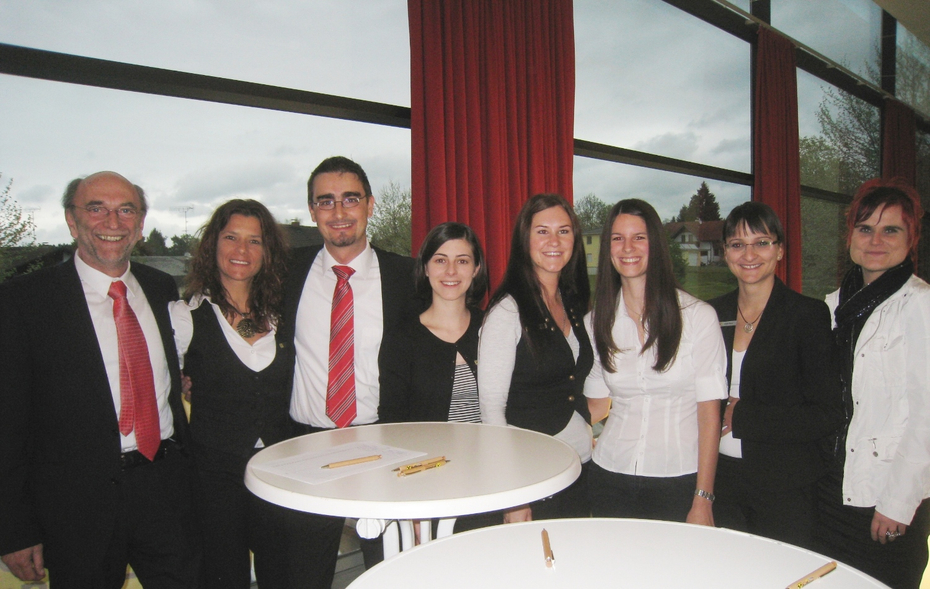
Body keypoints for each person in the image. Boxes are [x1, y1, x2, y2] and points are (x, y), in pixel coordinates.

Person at [0, 172, 200, 587]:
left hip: (165, 486)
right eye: (96, 209)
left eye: (126, 210)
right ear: (71, 221)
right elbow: (8, 421)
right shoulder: (23, 300)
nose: (113, 222)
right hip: (75, 504)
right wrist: (13, 528)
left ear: (140, 225)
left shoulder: (160, 287)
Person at [277, 156, 418, 578]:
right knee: (304, 576)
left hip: (384, 443)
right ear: (312, 211)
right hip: (305, 447)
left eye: (350, 199)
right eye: (326, 201)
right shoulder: (284, 272)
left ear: (370, 205)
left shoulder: (408, 277)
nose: (338, 212)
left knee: (389, 574)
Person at [170, 199, 293, 588]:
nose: (242, 250)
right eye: (231, 237)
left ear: (267, 251)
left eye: (254, 241)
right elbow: (158, 382)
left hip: (279, 468)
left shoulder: (280, 314)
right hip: (214, 475)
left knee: (283, 573)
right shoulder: (185, 317)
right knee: (224, 577)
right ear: (213, 244)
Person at [814, 178, 930, 589]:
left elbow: (926, 418)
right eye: (865, 228)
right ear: (850, 236)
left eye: (890, 230)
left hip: (884, 498)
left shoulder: (920, 305)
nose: (875, 240)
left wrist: (898, 503)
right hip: (828, 489)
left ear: (911, 239)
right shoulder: (833, 305)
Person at [707, 202, 843, 548]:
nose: (749, 254)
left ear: (780, 250)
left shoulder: (807, 316)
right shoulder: (709, 313)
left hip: (785, 487)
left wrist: (742, 416)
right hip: (719, 480)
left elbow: (827, 413)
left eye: (762, 243)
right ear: (725, 252)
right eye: (737, 244)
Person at [584, 198, 726, 526]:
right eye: (617, 238)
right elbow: (595, 405)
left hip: (678, 479)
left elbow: (709, 416)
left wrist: (703, 498)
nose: (627, 247)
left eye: (639, 237)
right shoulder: (596, 322)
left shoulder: (698, 317)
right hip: (609, 475)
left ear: (656, 245)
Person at [478, 193, 593, 522]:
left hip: (580, 465)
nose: (554, 241)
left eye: (564, 231)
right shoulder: (508, 311)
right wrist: (514, 495)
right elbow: (491, 410)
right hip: (530, 474)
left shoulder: (572, 301)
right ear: (524, 240)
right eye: (542, 231)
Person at [379, 222, 488, 424]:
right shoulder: (401, 339)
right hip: (425, 446)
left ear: (476, 269)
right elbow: (391, 420)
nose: (451, 271)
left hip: (491, 444)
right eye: (440, 260)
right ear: (425, 268)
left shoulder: (492, 329)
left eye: (462, 261)